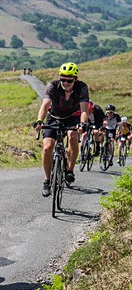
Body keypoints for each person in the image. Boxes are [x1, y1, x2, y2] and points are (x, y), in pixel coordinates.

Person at [34, 62, 90, 196]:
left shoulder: (81, 87)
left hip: (72, 117)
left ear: (75, 79)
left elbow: (84, 109)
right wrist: (39, 121)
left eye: (69, 80)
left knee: (73, 136)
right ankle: (47, 181)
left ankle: (69, 170)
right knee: (47, 147)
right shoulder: (53, 86)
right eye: (63, 79)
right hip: (53, 117)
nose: (65, 82)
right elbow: (45, 105)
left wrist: (82, 124)